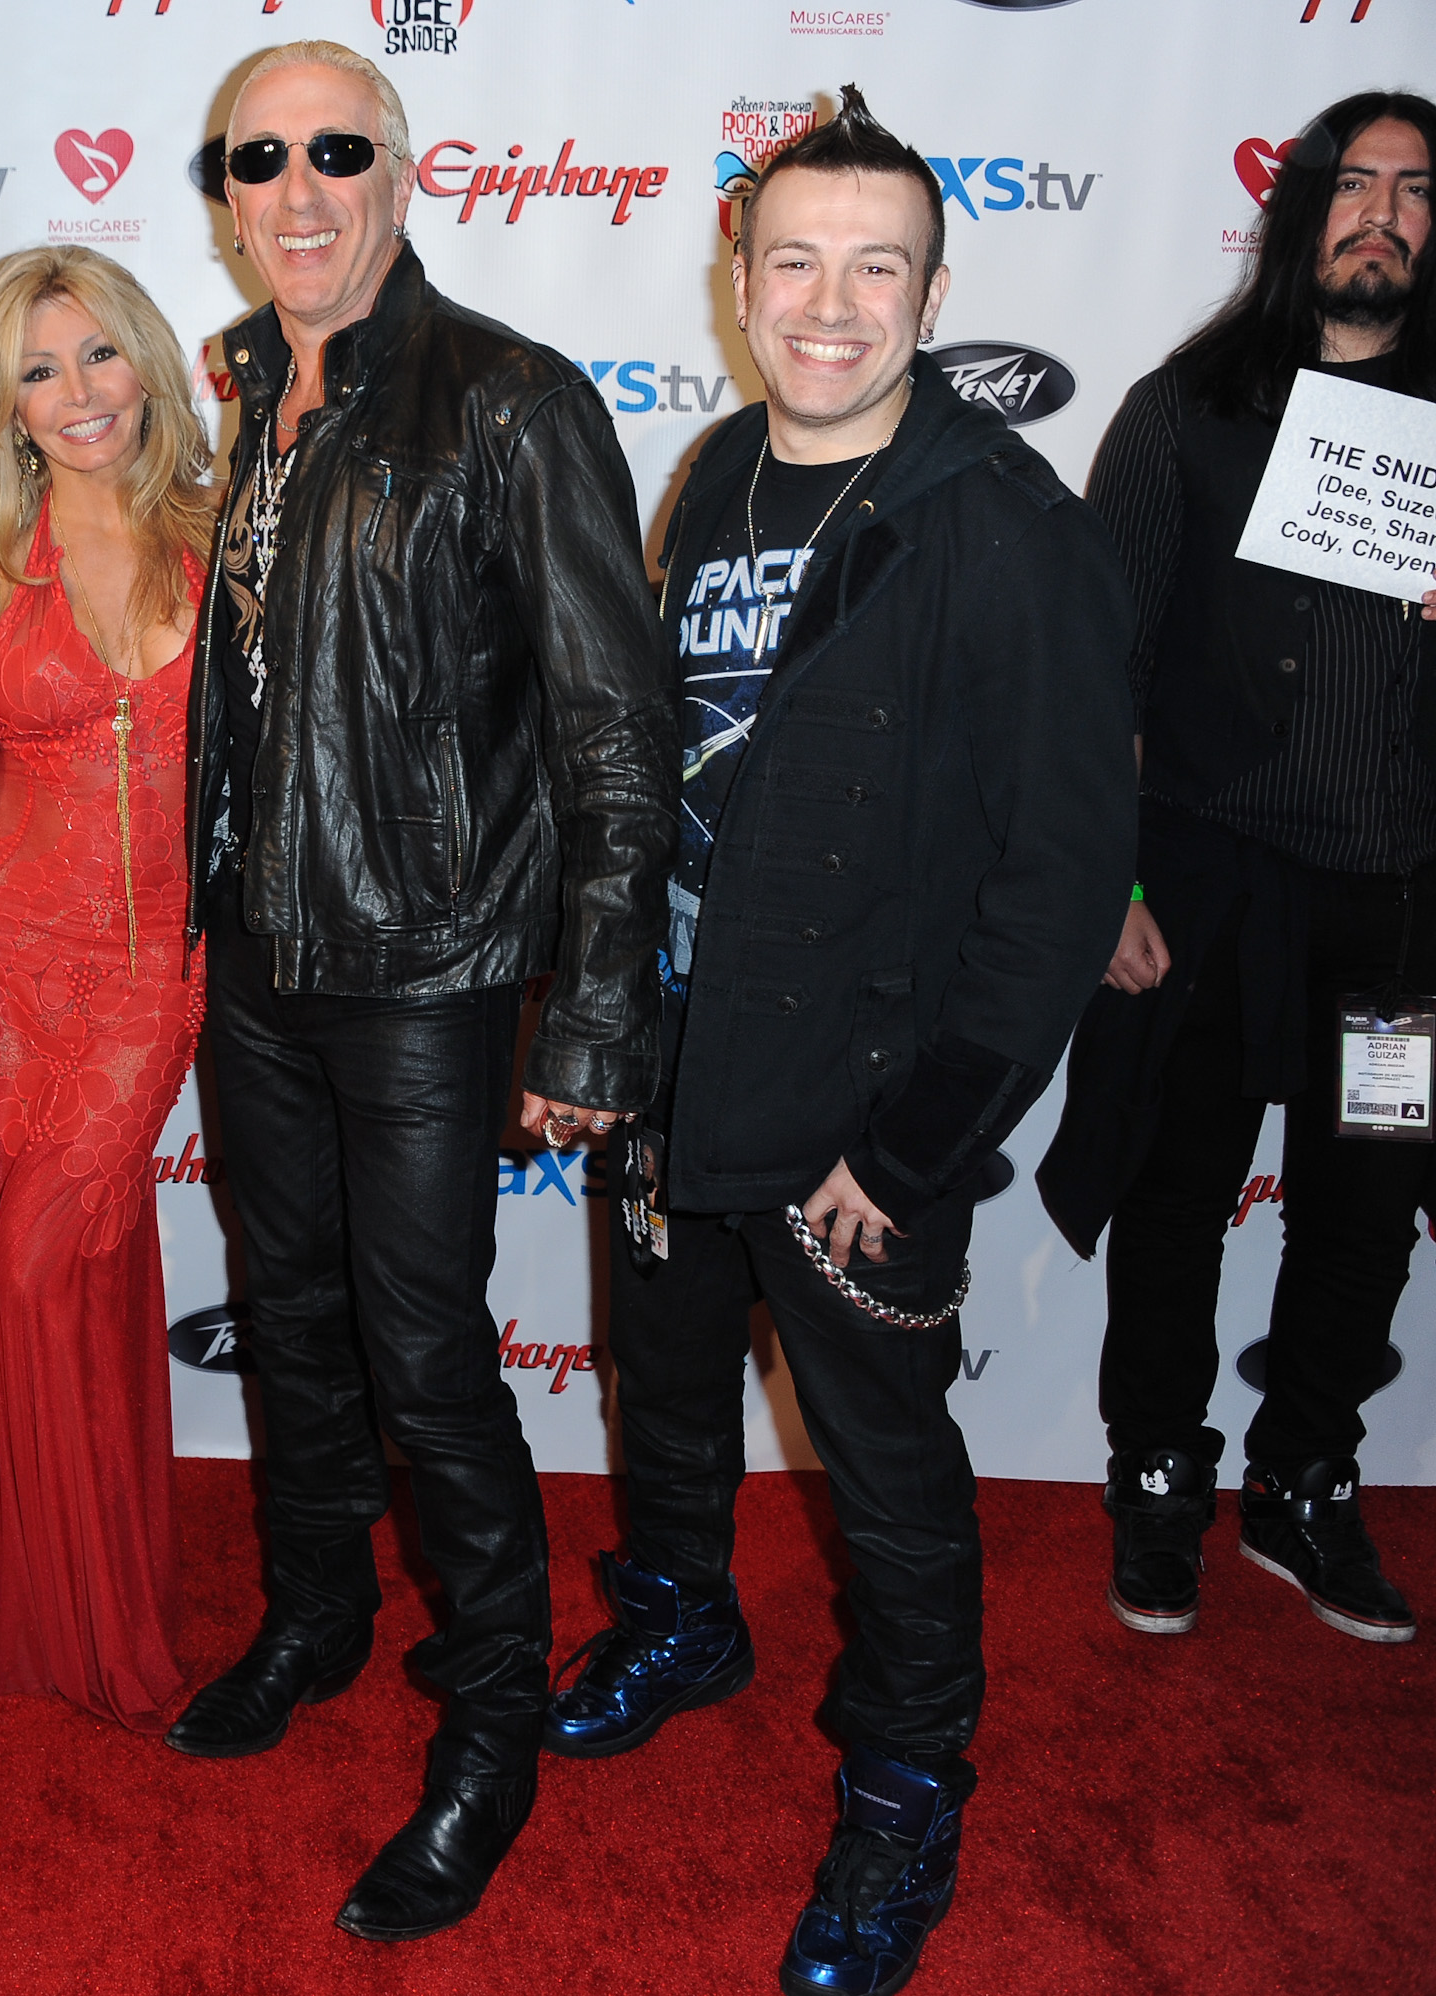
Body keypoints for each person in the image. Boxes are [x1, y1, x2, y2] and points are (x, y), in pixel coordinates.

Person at [544, 91, 1134, 1996]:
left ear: (935, 292)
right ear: (738, 279)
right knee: (667, 1383)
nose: (830, 301)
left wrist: (919, 1145)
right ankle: (681, 1616)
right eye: (795, 259)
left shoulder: (1006, 529)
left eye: (876, 266)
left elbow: (1056, 886)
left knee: (885, 1470)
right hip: (682, 1060)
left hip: (861, 1114)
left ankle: (900, 1789)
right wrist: (611, 1023)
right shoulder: (717, 469)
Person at [172, 41, 674, 1941]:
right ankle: (314, 1615)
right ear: (225, 192)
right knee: (290, 1320)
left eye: (335, 152)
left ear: (402, 168)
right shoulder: (240, 392)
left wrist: (600, 1009)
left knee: (428, 1350)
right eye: (259, 160)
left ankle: (488, 1730)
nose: (296, 191)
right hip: (258, 956)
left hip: (426, 964)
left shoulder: (513, 401)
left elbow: (619, 731)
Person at [1040, 91, 1436, 1650]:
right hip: (1198, 897)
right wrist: (1111, 887)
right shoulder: (1185, 408)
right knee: (1177, 1192)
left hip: (1401, 918)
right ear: (1301, 210)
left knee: (1371, 1201)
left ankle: (1306, 1479)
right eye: (1355, 185)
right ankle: (1158, 1472)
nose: (1383, 216)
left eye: (1416, 191)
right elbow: (1092, 677)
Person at [0, 246, 215, 1731]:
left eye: (98, 358)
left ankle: (90, 1609)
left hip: (154, 972)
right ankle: (7, 1606)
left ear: (146, 363)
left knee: (46, 1257)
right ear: (4, 407)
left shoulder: (229, 534)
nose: (78, 394)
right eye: (40, 369)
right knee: (2, 1264)